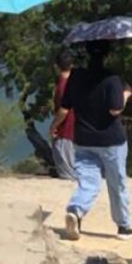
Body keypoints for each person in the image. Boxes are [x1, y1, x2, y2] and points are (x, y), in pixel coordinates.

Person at [60, 41, 132, 241]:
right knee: (116, 183)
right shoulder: (112, 79)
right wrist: (125, 94)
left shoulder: (75, 76)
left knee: (88, 182)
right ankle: (123, 226)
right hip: (110, 140)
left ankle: (76, 210)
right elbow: (115, 109)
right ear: (107, 55)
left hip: (82, 138)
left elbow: (66, 104)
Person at [47, 50, 78, 180]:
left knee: (67, 172)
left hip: (65, 130)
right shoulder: (77, 82)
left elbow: (63, 110)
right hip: (77, 129)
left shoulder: (62, 85)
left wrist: (53, 126)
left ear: (56, 66)